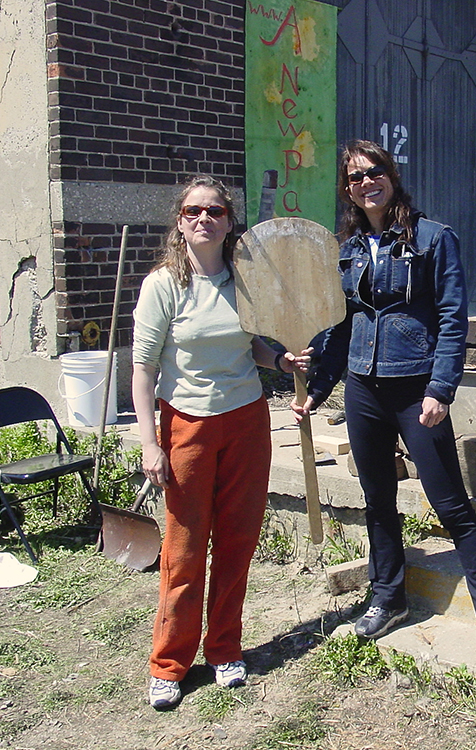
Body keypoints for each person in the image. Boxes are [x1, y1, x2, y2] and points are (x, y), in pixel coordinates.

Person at [291, 140, 476, 665]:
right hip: (364, 390)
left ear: (391, 176)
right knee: (378, 501)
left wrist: (441, 389)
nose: (366, 183)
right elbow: (340, 326)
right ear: (347, 191)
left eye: (374, 173)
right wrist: (319, 389)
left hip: (416, 390)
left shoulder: (434, 239)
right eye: (354, 178)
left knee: (450, 503)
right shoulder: (347, 250)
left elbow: (452, 318)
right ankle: (388, 598)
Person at [132, 175, 310, 709]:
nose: (204, 218)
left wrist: (278, 360)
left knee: (237, 542)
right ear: (180, 221)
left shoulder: (244, 280)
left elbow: (250, 341)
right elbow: (142, 369)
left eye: (214, 210)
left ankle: (225, 649)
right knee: (184, 549)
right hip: (187, 425)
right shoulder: (164, 285)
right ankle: (169, 664)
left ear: (229, 222)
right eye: (193, 211)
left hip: (247, 421)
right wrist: (150, 443)